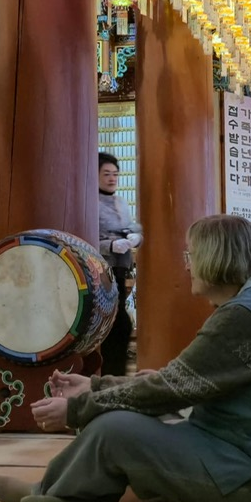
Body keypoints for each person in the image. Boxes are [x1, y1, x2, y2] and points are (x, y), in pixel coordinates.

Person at [0, 214, 251, 502]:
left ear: (217, 257)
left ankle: (62, 495)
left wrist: (77, 408)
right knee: (135, 403)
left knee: (115, 428)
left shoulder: (245, 318)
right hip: (244, 457)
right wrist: (95, 385)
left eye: (192, 255)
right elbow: (176, 382)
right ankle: (71, 496)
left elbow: (169, 389)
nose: (188, 266)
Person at [97, 152, 142, 376]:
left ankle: (115, 375)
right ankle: (109, 376)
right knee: (114, 324)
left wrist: (135, 236)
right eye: (106, 174)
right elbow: (85, 238)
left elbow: (132, 227)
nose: (112, 178)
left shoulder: (121, 202)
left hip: (121, 268)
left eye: (115, 174)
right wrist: (111, 245)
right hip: (101, 271)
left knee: (120, 323)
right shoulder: (90, 202)